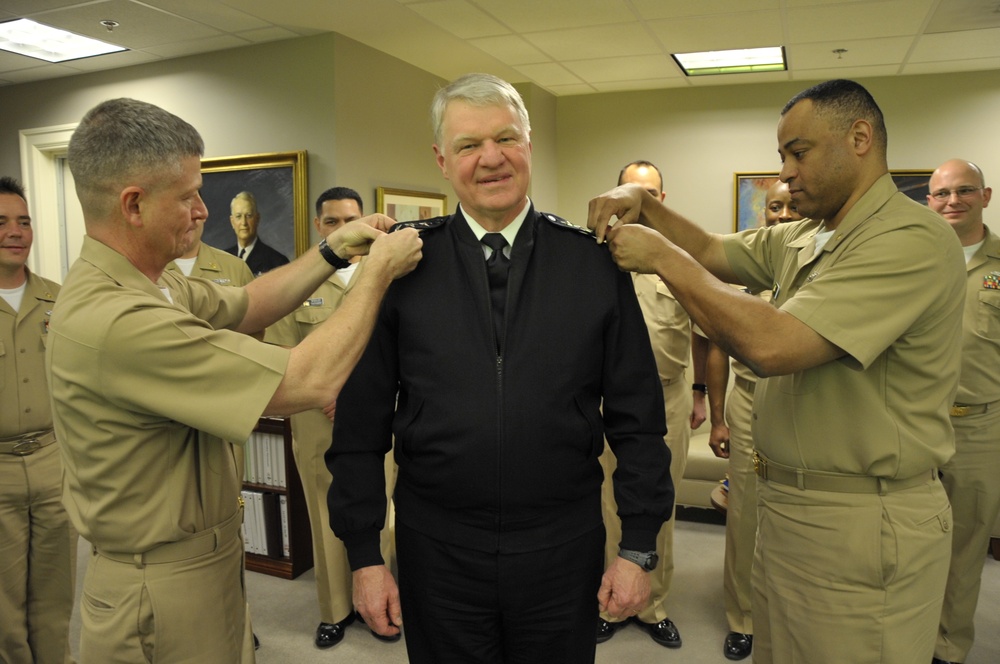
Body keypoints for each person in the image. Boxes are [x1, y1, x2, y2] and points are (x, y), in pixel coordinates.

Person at [587, 79, 965, 664]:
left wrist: (659, 255)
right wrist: (648, 206)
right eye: (783, 156)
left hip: (864, 517)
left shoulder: (908, 238)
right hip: (791, 508)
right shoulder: (811, 234)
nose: (785, 173)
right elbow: (715, 251)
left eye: (799, 152)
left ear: (859, 138)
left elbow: (773, 344)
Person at [47, 97, 422, 664]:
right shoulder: (117, 319)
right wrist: (377, 274)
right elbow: (308, 379)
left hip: (207, 558)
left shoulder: (155, 283)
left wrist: (332, 250)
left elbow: (248, 303)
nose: (203, 210)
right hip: (159, 583)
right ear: (133, 205)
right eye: (188, 196)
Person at [327, 73, 673, 664]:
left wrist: (637, 546)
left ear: (529, 145)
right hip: (437, 548)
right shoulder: (400, 268)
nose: (491, 158)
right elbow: (359, 426)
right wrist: (364, 555)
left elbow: (638, 415)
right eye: (468, 145)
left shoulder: (591, 263)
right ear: (442, 159)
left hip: (561, 546)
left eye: (506, 138)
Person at [264, 186, 398, 649]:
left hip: (377, 419)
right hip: (317, 420)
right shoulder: (301, 283)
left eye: (350, 219)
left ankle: (381, 600)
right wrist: (327, 389)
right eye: (332, 222)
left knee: (382, 512)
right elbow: (280, 349)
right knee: (324, 516)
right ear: (318, 227)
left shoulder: (387, 276)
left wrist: (358, 392)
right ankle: (335, 609)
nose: (343, 230)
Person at [596, 160, 707, 649]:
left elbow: (705, 334)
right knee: (606, 506)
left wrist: (702, 394)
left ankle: (652, 604)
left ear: (662, 200)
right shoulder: (599, 253)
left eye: (650, 192)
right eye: (632, 190)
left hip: (668, 397)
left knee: (658, 507)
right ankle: (608, 602)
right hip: (607, 404)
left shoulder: (679, 257)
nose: (641, 199)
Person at [704, 179, 801, 661]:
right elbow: (719, 349)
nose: (782, 214)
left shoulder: (822, 261)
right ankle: (742, 616)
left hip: (802, 404)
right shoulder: (744, 271)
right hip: (747, 400)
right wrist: (718, 418)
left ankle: (788, 611)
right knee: (744, 515)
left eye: (789, 205)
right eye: (773, 207)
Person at [0, 176, 77, 664]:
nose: (16, 231)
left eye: (23, 221)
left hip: (53, 464)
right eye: (2, 222)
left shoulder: (60, 299)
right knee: (3, 609)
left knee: (55, 597)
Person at [926, 159, 999, 664]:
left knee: (964, 550)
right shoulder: (917, 258)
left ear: (986, 196)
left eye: (964, 190)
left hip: (979, 427)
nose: (952, 201)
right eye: (941, 194)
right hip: (912, 422)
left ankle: (947, 648)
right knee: (902, 541)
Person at [226, 191, 291, 276]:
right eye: (238, 216)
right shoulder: (224, 259)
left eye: (248, 216)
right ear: (232, 221)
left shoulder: (277, 262)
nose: (244, 222)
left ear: (257, 219)